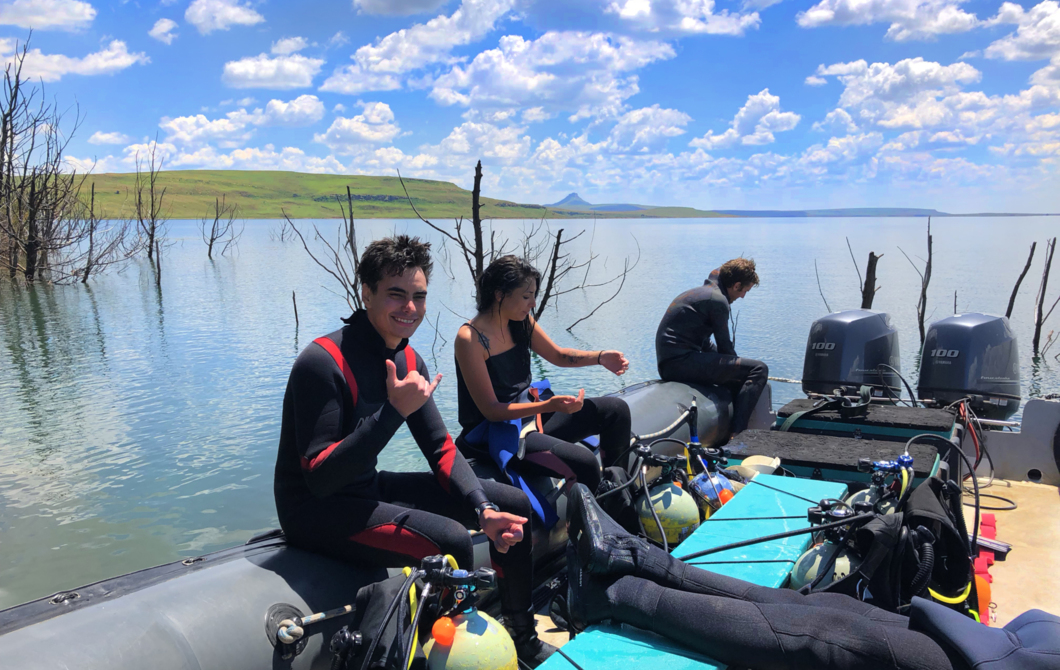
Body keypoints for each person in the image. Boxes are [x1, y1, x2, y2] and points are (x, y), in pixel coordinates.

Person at [273, 236, 555, 667]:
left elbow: (440, 448)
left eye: (419, 296)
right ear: (366, 293)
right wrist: (392, 413)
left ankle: (523, 637)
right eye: (396, 294)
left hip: (364, 488)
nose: (410, 307)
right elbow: (320, 477)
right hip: (314, 509)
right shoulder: (322, 362)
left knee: (511, 504)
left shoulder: (408, 362)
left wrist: (482, 508)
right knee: (451, 542)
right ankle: (436, 658)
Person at [564, 483, 1060, 670]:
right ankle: (630, 556)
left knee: (824, 637)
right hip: (1017, 647)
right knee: (831, 607)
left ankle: (612, 594)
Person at [454, 255, 632, 526]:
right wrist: (549, 406)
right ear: (500, 294)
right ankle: (593, 535)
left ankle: (618, 495)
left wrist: (600, 357)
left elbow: (558, 355)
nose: (533, 303)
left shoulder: (520, 320)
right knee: (584, 462)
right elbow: (491, 411)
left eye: (534, 295)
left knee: (616, 410)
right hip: (496, 436)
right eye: (527, 296)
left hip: (530, 418)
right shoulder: (470, 338)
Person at [655, 258, 768, 438]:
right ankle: (737, 434)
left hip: (670, 363)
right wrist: (739, 368)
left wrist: (733, 366)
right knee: (758, 369)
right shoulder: (717, 300)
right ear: (736, 285)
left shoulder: (706, 292)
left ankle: (729, 425)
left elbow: (705, 343)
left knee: (741, 369)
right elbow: (725, 348)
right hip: (679, 364)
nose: (743, 296)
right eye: (744, 291)